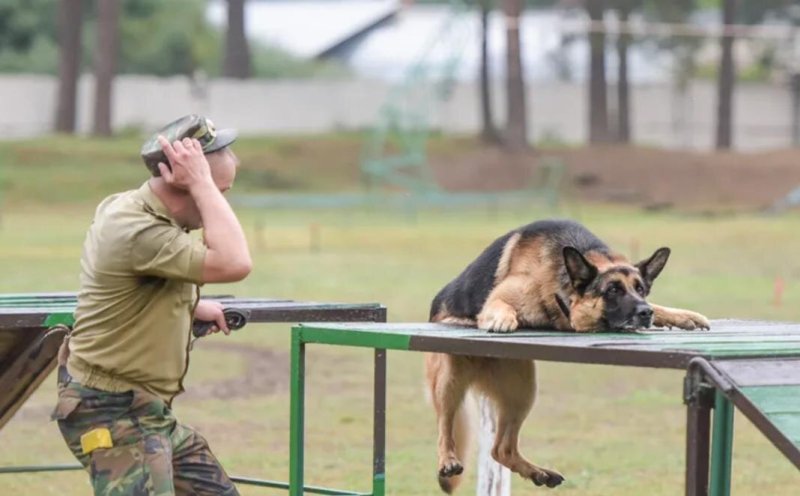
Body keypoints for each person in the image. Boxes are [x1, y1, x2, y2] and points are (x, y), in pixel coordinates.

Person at [50, 115, 252, 495]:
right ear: (181, 181)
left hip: (146, 411)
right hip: (112, 409)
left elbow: (129, 287)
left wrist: (190, 306)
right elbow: (234, 262)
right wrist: (204, 186)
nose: (219, 202)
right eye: (218, 191)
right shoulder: (136, 229)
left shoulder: (142, 211)